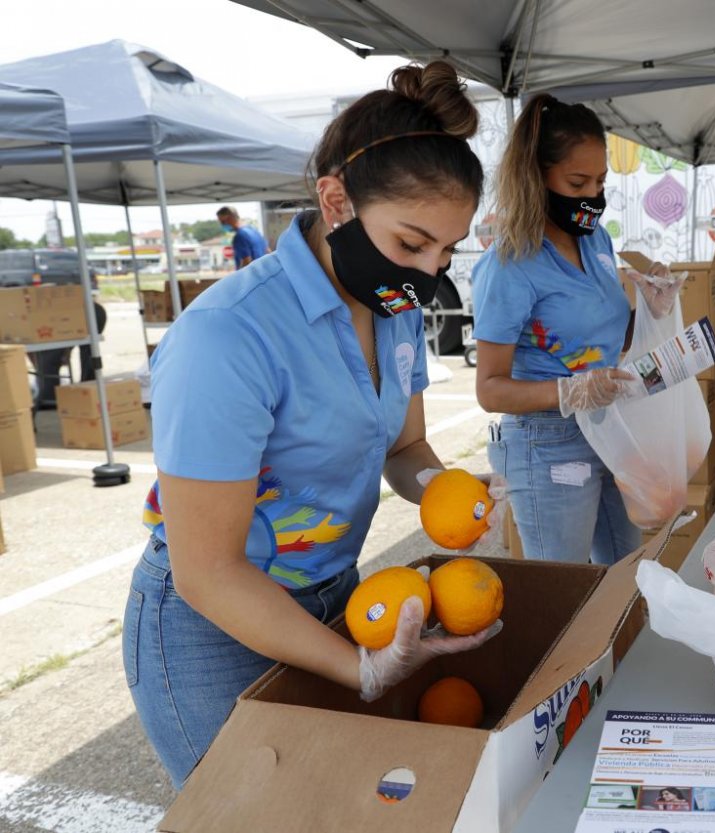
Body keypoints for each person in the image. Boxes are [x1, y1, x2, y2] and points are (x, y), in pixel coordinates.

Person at [124, 62, 503, 790]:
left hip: (336, 592)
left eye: (448, 251)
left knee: (332, 798)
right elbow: (210, 570)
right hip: (213, 625)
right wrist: (357, 667)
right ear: (335, 199)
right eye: (412, 242)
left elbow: (404, 447)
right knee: (255, 809)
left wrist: (449, 490)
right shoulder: (229, 337)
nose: (428, 274)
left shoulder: (395, 311)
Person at [472, 95, 682, 566]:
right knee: (565, 590)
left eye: (601, 181)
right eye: (577, 181)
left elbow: (604, 341)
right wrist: (569, 392)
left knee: (623, 572)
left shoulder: (597, 241)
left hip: (611, 427)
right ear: (536, 176)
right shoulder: (508, 266)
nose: (593, 194)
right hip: (548, 442)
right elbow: (489, 389)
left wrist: (649, 311)